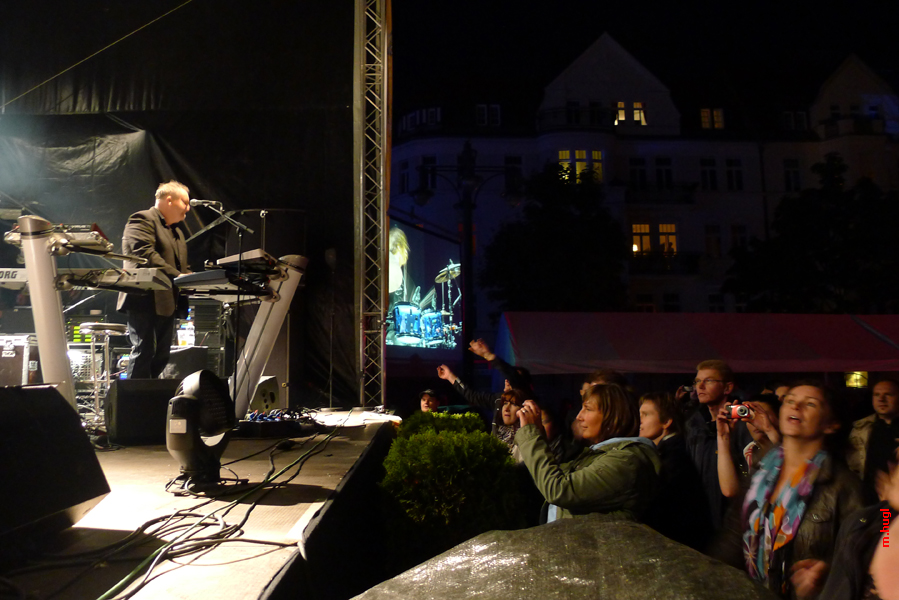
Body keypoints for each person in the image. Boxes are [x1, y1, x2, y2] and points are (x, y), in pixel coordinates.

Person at [742, 381, 864, 599]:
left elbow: (878, 541)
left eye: (810, 404)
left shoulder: (845, 485)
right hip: (750, 591)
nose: (795, 406)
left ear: (831, 424)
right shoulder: (762, 466)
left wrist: (829, 572)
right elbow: (734, 532)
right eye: (789, 400)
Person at [514, 384, 660, 522]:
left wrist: (531, 435)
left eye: (588, 409)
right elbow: (551, 476)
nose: (579, 416)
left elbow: (559, 490)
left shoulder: (626, 461)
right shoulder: (599, 454)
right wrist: (538, 435)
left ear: (613, 417)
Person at [117, 180, 191, 379]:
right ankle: (134, 395)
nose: (188, 208)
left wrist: (196, 278)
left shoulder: (177, 232)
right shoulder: (142, 219)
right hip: (144, 298)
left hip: (167, 301)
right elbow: (145, 254)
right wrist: (178, 275)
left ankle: (148, 392)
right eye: (185, 202)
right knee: (144, 350)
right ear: (169, 200)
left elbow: (179, 266)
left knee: (162, 354)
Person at [678, 359, 754, 532]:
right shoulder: (693, 424)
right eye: (697, 381)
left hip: (733, 517)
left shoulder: (743, 424)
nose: (700, 386)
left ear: (727, 388)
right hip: (701, 515)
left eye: (709, 380)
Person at [639, 392, 713, 551]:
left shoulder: (672, 457)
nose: (640, 420)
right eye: (640, 414)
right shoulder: (666, 451)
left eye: (646, 414)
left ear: (666, 421)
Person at [847, 379, 899, 499]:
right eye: (876, 395)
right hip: (866, 495)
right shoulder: (859, 428)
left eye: (888, 394)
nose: (881, 399)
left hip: (896, 495)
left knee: (887, 512)